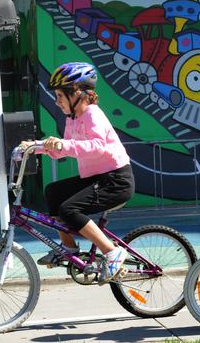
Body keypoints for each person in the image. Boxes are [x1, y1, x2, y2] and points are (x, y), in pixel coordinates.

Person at [21, 62, 134, 282]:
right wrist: (34, 147)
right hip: (97, 178)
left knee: (69, 209)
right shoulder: (72, 119)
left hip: (116, 180)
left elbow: (97, 147)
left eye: (60, 96)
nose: (57, 101)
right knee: (54, 191)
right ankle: (69, 248)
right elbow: (65, 147)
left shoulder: (93, 114)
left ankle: (112, 252)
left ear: (78, 95)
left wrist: (63, 145)